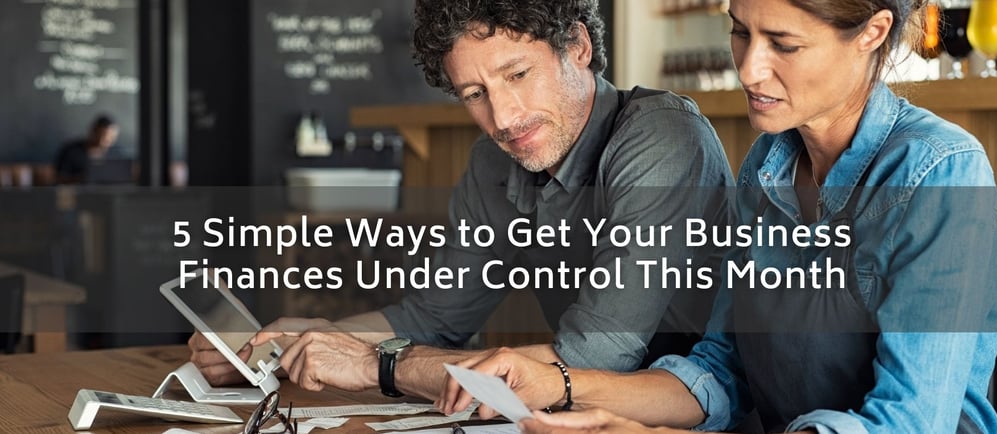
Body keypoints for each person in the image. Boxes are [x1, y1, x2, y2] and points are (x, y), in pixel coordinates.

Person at [440, 0, 997, 432]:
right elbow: (719, 370)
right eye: (740, 31)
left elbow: (910, 422)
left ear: (872, 33)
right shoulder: (768, 162)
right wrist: (559, 384)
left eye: (782, 44)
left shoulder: (940, 172)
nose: (749, 69)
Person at [189, 0, 734, 401]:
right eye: (475, 94)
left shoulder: (662, 136)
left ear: (578, 47)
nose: (503, 117)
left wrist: (380, 366)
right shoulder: (494, 162)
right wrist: (294, 346)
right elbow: (433, 317)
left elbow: (594, 358)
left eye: (517, 74)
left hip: (697, 411)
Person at [54, 115, 119, 184]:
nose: (108, 140)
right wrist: (83, 178)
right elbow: (59, 178)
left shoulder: (117, 154)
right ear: (94, 131)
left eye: (112, 137)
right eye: (104, 135)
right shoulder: (71, 151)